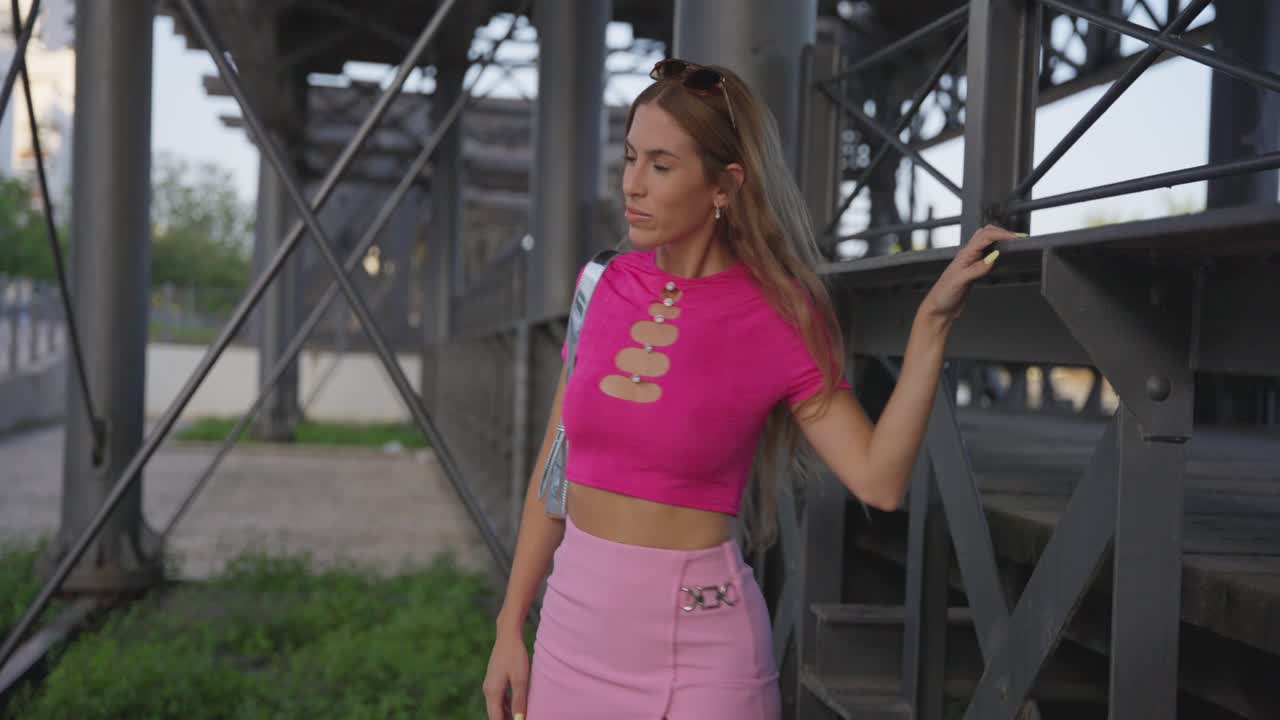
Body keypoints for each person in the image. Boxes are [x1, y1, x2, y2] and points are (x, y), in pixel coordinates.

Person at [483, 58, 1015, 720]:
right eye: (630, 158)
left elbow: (879, 480)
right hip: (569, 637)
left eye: (661, 165)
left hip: (699, 656)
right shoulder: (601, 283)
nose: (632, 184)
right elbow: (554, 470)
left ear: (724, 186)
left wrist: (931, 327)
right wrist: (510, 625)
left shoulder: (779, 314)